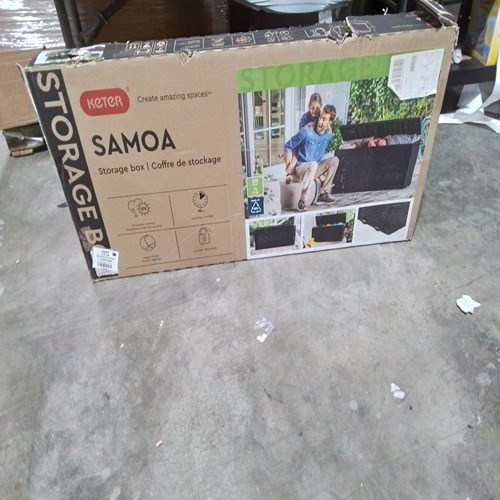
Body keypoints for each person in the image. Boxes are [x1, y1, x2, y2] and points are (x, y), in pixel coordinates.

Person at [283, 105, 339, 211]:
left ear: (330, 123)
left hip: (313, 170)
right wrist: (288, 166)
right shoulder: (306, 131)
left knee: (335, 160)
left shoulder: (328, 136)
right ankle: (302, 201)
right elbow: (288, 146)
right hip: (300, 170)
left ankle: (323, 193)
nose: (320, 121)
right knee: (313, 164)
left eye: (324, 119)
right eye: (320, 117)